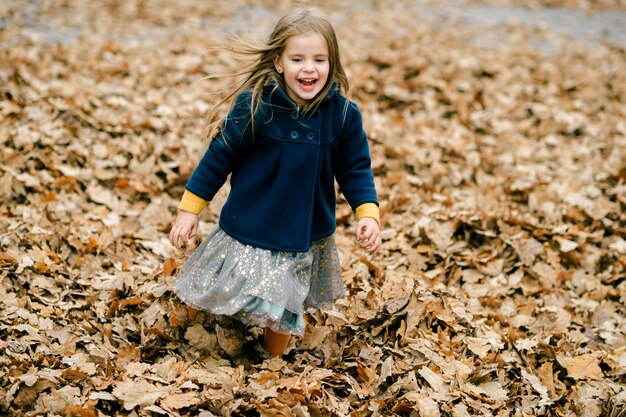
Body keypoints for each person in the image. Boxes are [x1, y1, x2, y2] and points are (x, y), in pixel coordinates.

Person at [168, 6, 381, 357]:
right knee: (246, 289)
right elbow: (219, 157)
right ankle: (230, 330)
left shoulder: (342, 115)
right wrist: (190, 209)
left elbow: (355, 168)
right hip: (255, 219)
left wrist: (367, 214)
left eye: (319, 59)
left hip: (304, 231)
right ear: (279, 63)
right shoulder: (255, 106)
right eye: (297, 59)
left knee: (282, 298)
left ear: (332, 64)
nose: (309, 68)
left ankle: (273, 362)